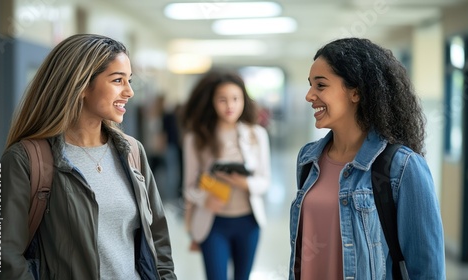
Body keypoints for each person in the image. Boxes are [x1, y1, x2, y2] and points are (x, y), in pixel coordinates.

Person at [0, 34, 176, 279]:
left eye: (129, 80)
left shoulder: (132, 152)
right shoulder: (22, 159)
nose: (129, 91)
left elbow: (157, 239)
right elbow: (0, 255)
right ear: (82, 85)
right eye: (118, 80)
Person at [289, 38, 445, 279]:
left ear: (356, 92)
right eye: (310, 85)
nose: (309, 95)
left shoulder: (402, 167)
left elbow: (427, 270)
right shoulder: (309, 160)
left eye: (320, 85)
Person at [180, 70, 271, 280]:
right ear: (212, 102)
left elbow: (265, 181)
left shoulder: (257, 134)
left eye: (235, 99)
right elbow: (189, 187)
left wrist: (243, 182)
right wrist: (205, 198)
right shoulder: (196, 138)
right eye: (222, 100)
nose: (230, 106)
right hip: (213, 224)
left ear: (244, 101)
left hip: (249, 223)